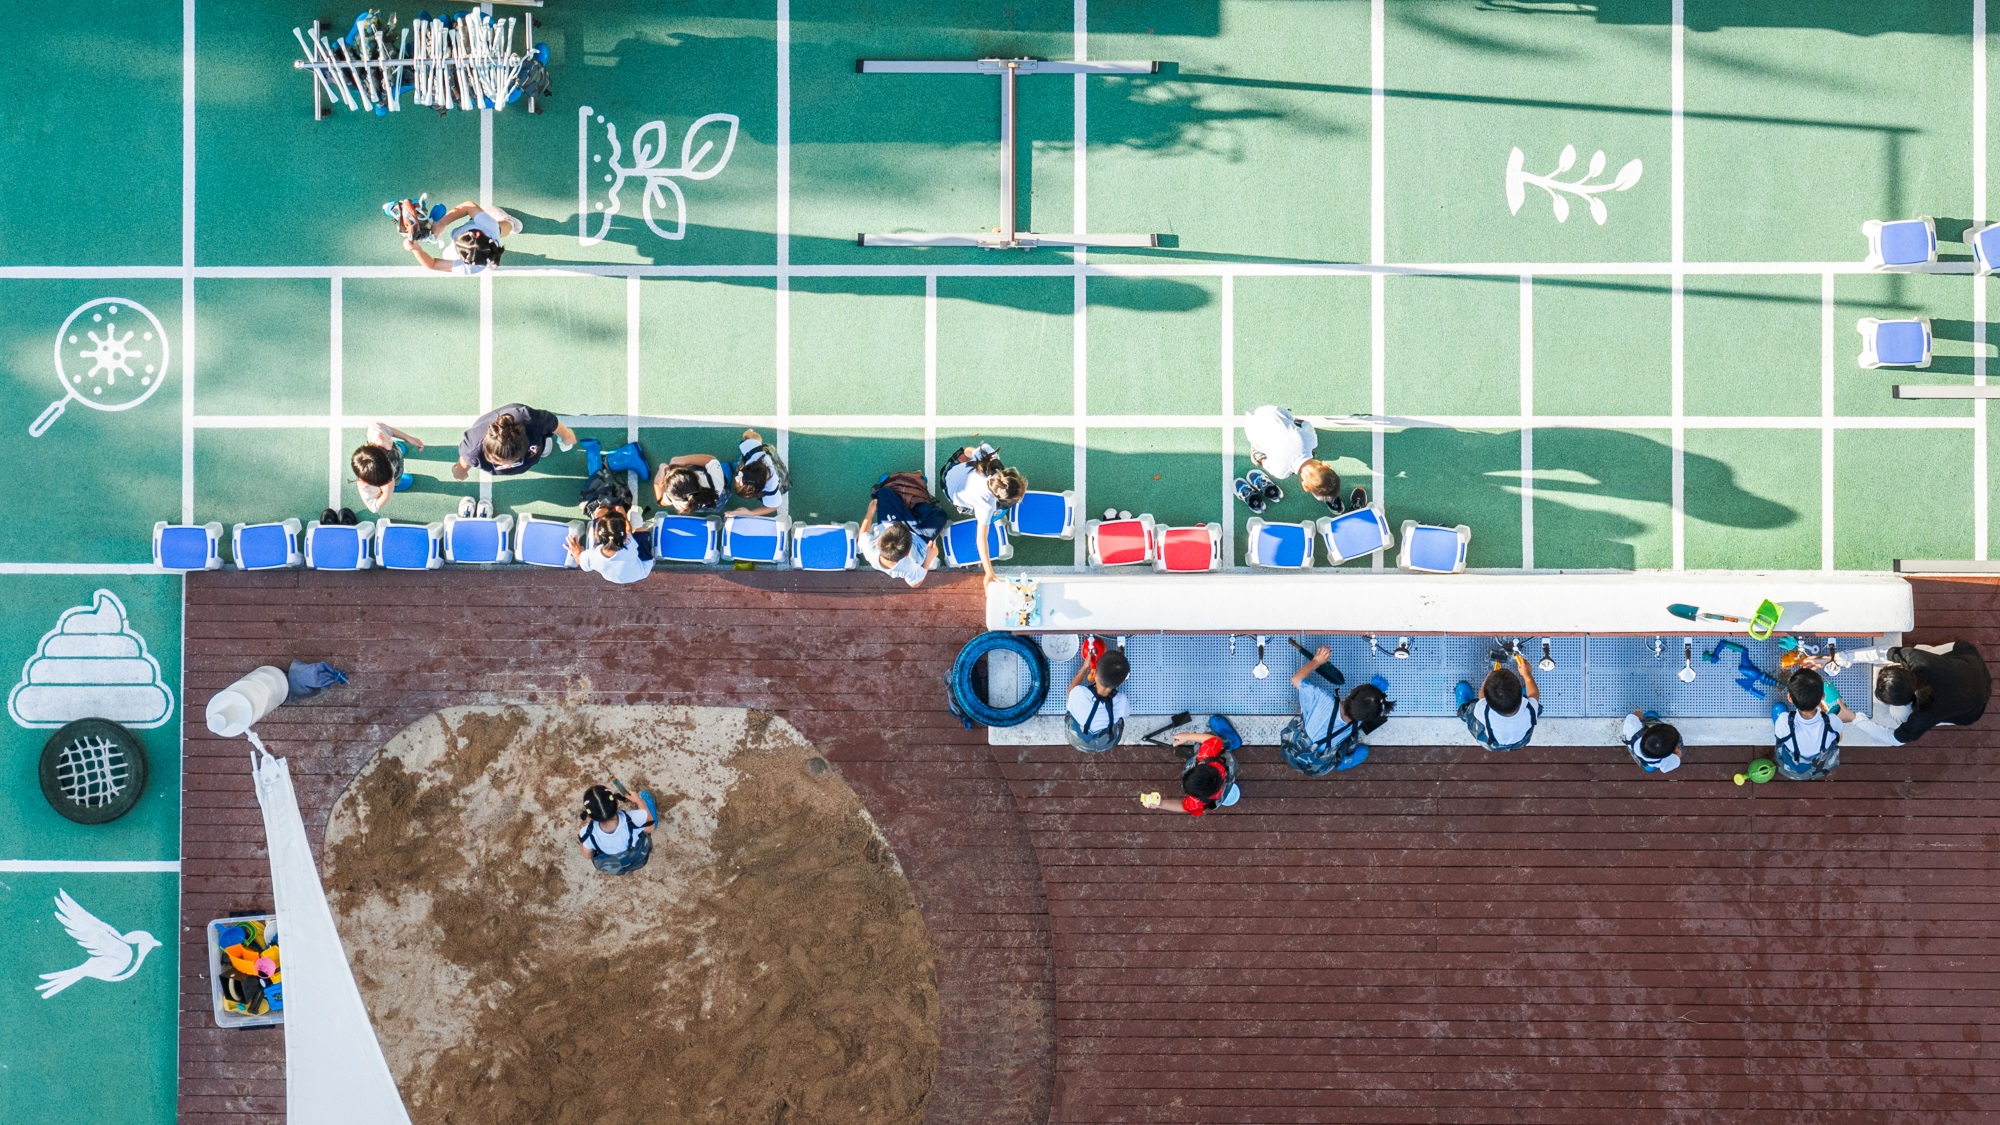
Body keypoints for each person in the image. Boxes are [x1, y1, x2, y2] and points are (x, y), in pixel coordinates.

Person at [1840, 641, 1990, 745]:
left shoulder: (1922, 717)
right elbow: (1883, 653)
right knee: (1923, 651)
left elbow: (1894, 739)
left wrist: (1854, 718)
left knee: (1898, 715)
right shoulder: (1916, 658)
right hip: (1966, 655)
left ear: (1904, 703)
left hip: (1974, 706)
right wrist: (1843, 657)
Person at [1281, 647, 1392, 776]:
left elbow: (1296, 679)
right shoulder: (1360, 719)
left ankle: (1341, 762)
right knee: (1351, 739)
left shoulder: (1323, 700)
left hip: (1289, 748)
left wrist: (1317, 661)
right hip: (1318, 768)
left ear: (1351, 693)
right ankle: (1341, 761)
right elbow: (1367, 709)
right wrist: (1375, 695)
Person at [1238, 404, 1365, 516]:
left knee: (1298, 425)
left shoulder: (1311, 441)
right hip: (1254, 429)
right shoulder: (1280, 472)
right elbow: (1266, 463)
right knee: (1258, 459)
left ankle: (1266, 443)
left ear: (1326, 465)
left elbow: (1306, 425)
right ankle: (1255, 452)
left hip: (1267, 414)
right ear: (1305, 486)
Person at [939, 442, 1025, 585]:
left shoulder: (990, 459)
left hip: (951, 472)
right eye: (1017, 498)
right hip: (954, 495)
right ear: (1000, 497)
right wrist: (989, 572)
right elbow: (981, 540)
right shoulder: (985, 506)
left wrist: (973, 457)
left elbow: (966, 451)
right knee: (999, 513)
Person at [859, 471, 948, 586]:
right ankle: (917, 501)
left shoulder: (869, 549)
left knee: (884, 492)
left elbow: (863, 534)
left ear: (879, 542)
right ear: (907, 554)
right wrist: (929, 558)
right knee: (941, 515)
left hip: (892, 522)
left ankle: (913, 502)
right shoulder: (907, 568)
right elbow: (915, 584)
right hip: (920, 538)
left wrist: (869, 514)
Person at [1143, 719, 1243, 817]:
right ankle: (1229, 740)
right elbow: (1213, 740)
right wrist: (1188, 736)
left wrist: (1161, 804)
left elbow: (1183, 807)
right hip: (1227, 768)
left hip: (1223, 775)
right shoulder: (1207, 755)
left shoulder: (1198, 801)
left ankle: (1231, 741)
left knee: (1201, 744)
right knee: (1213, 740)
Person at [453, 403, 575, 480]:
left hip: (532, 441)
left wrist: (567, 435)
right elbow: (465, 459)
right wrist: (460, 471)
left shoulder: (532, 420)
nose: (507, 466)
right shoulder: (472, 448)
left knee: (542, 446)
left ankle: (542, 447)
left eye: (511, 461)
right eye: (499, 461)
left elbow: (552, 423)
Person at [1771, 667, 1853, 781]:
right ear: (1823, 697)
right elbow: (1839, 737)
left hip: (1792, 762)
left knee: (1778, 708)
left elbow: (1779, 736)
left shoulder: (1784, 721)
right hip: (1818, 763)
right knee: (1836, 734)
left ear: (1790, 698)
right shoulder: (1832, 721)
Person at [1455, 650, 1541, 752]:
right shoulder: (1530, 710)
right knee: (1531, 699)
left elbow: (1481, 695)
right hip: (1520, 741)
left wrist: (1489, 677)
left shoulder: (1483, 710)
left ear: (1488, 702)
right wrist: (1527, 674)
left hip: (1492, 742)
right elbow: (1534, 694)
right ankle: (1520, 692)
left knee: (1471, 711)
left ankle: (1464, 706)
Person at [404, 199, 517, 275]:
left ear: (466, 261)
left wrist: (416, 249)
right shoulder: (489, 226)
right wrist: (441, 224)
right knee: (500, 228)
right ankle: (511, 223)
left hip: (488, 235)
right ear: (477, 234)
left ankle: (509, 223)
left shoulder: (469, 268)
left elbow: (433, 264)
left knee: (447, 255)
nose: (457, 237)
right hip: (491, 228)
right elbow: (468, 206)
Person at [575, 783, 656, 875]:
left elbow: (587, 855)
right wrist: (639, 801)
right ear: (617, 802)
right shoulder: (635, 817)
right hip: (637, 857)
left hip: (616, 866)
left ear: (590, 815)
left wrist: (581, 837)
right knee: (649, 819)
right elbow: (650, 828)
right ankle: (647, 803)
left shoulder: (586, 833)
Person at [1065, 644, 1131, 753]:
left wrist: (1084, 668)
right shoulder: (1122, 701)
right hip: (1106, 743)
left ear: (1094, 673)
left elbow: (1071, 691)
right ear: (1123, 681)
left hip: (1078, 739)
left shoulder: (1079, 693)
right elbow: (1125, 715)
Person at [566, 506, 654, 585]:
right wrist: (623, 516)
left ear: (596, 534)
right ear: (625, 537)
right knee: (640, 530)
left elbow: (579, 561)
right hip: (643, 568)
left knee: (600, 512)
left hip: (617, 576)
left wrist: (577, 552)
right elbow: (629, 530)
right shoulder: (630, 543)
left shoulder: (592, 556)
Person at [352, 422, 424, 515]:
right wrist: (387, 494)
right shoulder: (366, 488)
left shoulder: (378, 436)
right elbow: (374, 508)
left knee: (396, 450)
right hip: (395, 475)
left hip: (394, 454)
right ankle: (397, 483)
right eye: (384, 479)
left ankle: (398, 450)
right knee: (397, 478)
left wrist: (407, 438)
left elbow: (382, 427)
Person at [729, 429, 788, 517]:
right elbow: (749, 436)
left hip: (776, 473)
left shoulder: (771, 489)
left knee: (784, 482)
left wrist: (751, 513)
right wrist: (750, 434)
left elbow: (774, 506)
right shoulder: (754, 451)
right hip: (765, 458)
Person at [1620, 710, 1683, 774]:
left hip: (1636, 751)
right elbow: (1678, 755)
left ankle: (1648, 767)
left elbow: (1637, 714)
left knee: (1649, 768)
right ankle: (1649, 767)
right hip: (1655, 762)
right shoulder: (1665, 761)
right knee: (1650, 767)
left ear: (1647, 731)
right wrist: (1676, 749)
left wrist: (1640, 717)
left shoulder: (1632, 731)